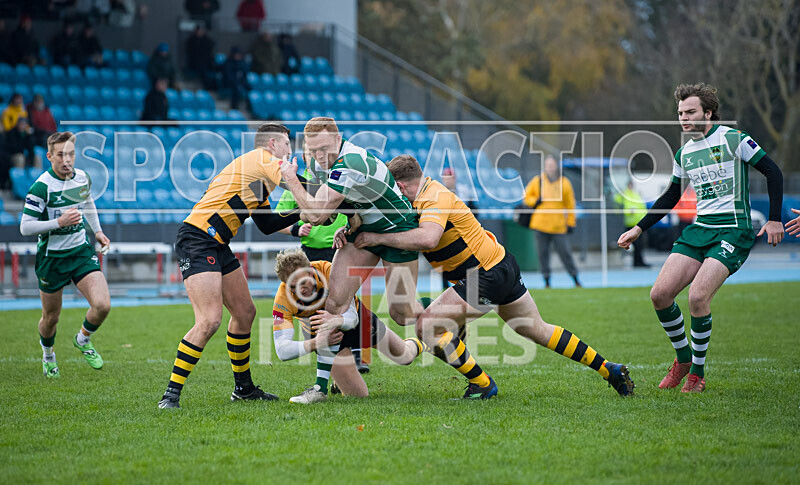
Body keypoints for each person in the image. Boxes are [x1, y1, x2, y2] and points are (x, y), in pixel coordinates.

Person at [353, 155, 635, 399]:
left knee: (427, 328)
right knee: (536, 329)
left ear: (400, 186)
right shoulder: (426, 194)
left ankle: (482, 384)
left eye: (393, 190)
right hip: (499, 264)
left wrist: (375, 237)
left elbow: (428, 238)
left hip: (483, 275)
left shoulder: (433, 197)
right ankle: (608, 369)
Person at [618, 83, 784, 393]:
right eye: (680, 112)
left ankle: (697, 374)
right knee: (660, 294)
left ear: (708, 112)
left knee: (697, 297)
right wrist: (639, 228)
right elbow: (671, 195)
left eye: (690, 111)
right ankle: (682, 360)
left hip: (734, 229)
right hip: (699, 229)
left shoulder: (733, 139)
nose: (684, 117)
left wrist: (774, 219)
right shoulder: (685, 152)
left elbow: (773, 172)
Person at [157, 123, 324, 409]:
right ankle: (170, 394)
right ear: (272, 144)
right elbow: (297, 184)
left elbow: (267, 225)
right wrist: (332, 193)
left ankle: (243, 389)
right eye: (287, 144)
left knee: (245, 312)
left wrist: (300, 217)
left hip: (216, 244)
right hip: (198, 240)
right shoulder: (263, 159)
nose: (290, 150)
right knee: (209, 320)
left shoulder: (256, 175)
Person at [278, 117, 421, 333]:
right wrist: (348, 223)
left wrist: (291, 179)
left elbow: (316, 216)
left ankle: (438, 313)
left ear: (338, 139)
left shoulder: (351, 162)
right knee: (334, 303)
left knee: (402, 313)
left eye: (324, 148)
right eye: (313, 150)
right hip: (364, 229)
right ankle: (338, 363)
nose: (319, 156)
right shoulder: (319, 163)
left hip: (398, 227)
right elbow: (332, 207)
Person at [271, 249, 425, 403]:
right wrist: (316, 343)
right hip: (325, 339)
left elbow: (352, 318)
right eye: (293, 286)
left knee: (405, 356)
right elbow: (282, 351)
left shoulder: (330, 271)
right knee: (358, 395)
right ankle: (325, 386)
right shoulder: (282, 299)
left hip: (359, 321)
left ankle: (423, 335)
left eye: (303, 282)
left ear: (311, 271)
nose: (300, 290)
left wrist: (337, 320)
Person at [19, 131, 112, 379]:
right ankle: (48, 356)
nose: (66, 159)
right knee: (51, 318)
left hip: (80, 252)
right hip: (52, 259)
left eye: (70, 154)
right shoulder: (41, 187)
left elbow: (88, 203)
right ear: (50, 156)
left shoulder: (82, 178)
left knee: (102, 305)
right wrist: (59, 222)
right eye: (60, 154)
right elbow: (25, 227)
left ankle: (83, 339)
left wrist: (99, 232)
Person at [275, 152, 370, 373]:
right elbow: (276, 218)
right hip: (308, 254)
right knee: (312, 307)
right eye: (310, 154)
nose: (315, 158)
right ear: (306, 158)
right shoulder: (298, 184)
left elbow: (354, 211)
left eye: (318, 154)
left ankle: (355, 354)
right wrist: (295, 228)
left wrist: (348, 228)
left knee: (348, 300)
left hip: (337, 249)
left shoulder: (335, 178)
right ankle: (326, 356)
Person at [524, 155, 581, 288]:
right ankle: (547, 281)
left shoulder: (564, 182)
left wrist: (571, 222)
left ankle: (575, 279)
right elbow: (527, 196)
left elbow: (570, 204)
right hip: (540, 225)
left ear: (556, 166)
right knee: (543, 255)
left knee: (565, 254)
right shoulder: (537, 181)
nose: (549, 167)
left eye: (552, 165)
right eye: (547, 165)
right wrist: (535, 201)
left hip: (558, 226)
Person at [614, 180, 649, 267]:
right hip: (629, 223)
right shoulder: (623, 195)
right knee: (632, 244)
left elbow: (642, 207)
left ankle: (639, 261)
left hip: (638, 224)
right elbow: (617, 206)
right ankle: (636, 262)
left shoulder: (635, 194)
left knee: (639, 245)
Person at [184, 24, 215, 89]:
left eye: (201, 31)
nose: (200, 32)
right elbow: (191, 54)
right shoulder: (191, 41)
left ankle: (215, 87)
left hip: (207, 62)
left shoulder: (208, 40)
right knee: (203, 71)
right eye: (198, 31)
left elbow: (210, 53)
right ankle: (208, 87)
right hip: (196, 63)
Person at [221, 46, 249, 110]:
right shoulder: (228, 63)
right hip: (229, 83)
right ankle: (234, 107)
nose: (238, 56)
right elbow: (228, 76)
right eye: (236, 54)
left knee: (250, 88)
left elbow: (244, 74)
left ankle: (250, 107)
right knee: (236, 89)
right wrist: (236, 83)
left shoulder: (242, 63)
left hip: (240, 82)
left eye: (239, 54)